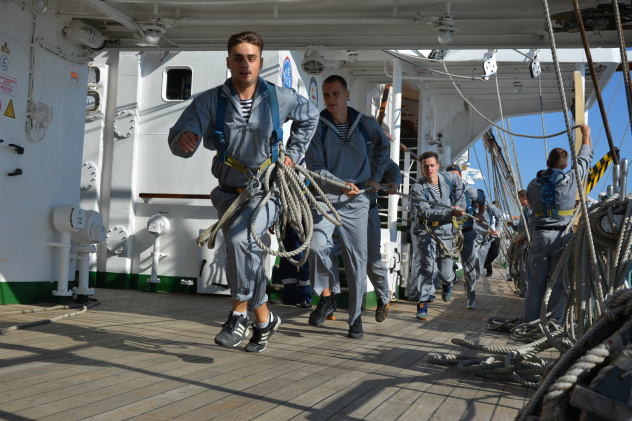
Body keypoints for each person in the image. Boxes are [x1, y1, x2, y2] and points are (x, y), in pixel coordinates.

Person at [167, 31, 319, 352]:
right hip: (228, 195)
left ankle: (238, 314)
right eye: (238, 58)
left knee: (240, 241)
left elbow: (310, 116)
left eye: (251, 58)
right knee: (247, 254)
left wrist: (293, 153)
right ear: (229, 62)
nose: (245, 65)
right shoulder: (210, 101)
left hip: (267, 192)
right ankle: (264, 321)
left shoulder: (280, 97)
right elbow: (181, 132)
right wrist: (184, 140)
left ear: (260, 62)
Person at [305, 75, 389, 339]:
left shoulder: (365, 123)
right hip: (326, 198)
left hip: (357, 202)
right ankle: (327, 296)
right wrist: (339, 184)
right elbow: (314, 166)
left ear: (347, 94)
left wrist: (375, 177)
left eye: (336, 94)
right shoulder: (318, 125)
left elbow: (383, 147)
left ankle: (355, 319)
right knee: (316, 247)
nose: (331, 99)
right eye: (326, 95)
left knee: (356, 261)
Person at [521, 123, 593, 324]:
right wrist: (586, 135)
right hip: (562, 238)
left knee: (535, 284)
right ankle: (552, 326)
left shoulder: (533, 185)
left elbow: (532, 206)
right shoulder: (572, 179)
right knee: (558, 284)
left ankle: (529, 324)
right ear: (565, 165)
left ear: (547, 162)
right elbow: (584, 159)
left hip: (540, 237)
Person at [410, 152, 464, 320]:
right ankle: (422, 303)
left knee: (446, 273)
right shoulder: (417, 188)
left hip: (447, 231)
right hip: (427, 230)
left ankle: (448, 282)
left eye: (432, 165)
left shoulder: (449, 178)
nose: (429, 169)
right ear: (421, 168)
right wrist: (451, 212)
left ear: (438, 166)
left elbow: (459, 185)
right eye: (425, 166)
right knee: (427, 267)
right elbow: (426, 213)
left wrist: (459, 204)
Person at [446, 164, 485, 309]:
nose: (452, 178)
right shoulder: (442, 191)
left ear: (461, 177)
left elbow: (482, 201)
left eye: (455, 175)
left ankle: (471, 297)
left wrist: (479, 214)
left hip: (467, 233)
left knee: (469, 268)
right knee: (443, 263)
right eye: (449, 175)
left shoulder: (470, 191)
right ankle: (447, 283)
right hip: (448, 232)